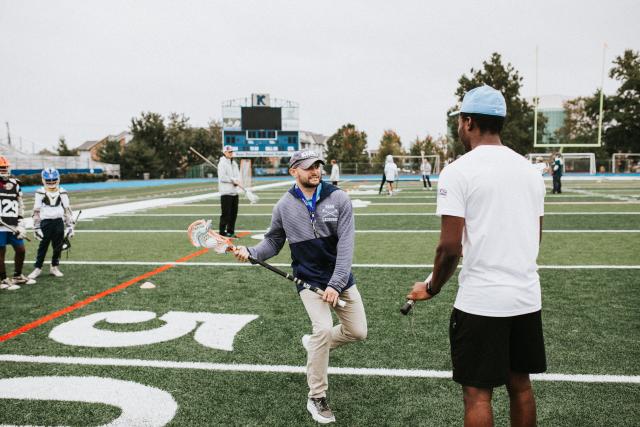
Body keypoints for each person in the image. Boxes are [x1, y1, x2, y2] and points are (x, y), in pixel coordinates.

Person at [407, 85, 547, 427]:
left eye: (459, 120)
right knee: (521, 387)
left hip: (482, 300)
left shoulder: (458, 171)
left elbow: (450, 247)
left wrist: (433, 287)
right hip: (526, 296)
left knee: (477, 394)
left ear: (467, 122)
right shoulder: (530, 171)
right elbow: (535, 237)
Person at [233, 150, 367, 424]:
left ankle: (314, 345)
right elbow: (272, 242)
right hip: (308, 279)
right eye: (308, 167)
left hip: (339, 277)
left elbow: (346, 246)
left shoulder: (339, 198)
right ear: (294, 171)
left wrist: (336, 283)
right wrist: (250, 252)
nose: (315, 171)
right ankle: (316, 397)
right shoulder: (284, 206)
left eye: (317, 165)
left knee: (358, 331)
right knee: (321, 329)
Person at [27, 168, 75, 279]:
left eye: (54, 180)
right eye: (49, 180)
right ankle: (37, 268)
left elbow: (67, 210)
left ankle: (54, 267)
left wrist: (70, 226)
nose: (52, 183)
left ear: (58, 179)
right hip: (45, 222)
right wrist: (36, 227)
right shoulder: (40, 192)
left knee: (57, 246)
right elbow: (36, 211)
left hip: (58, 221)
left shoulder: (62, 191)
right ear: (43, 180)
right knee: (43, 246)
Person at [0, 156, 33, 291]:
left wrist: (20, 222)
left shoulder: (15, 183)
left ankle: (17, 276)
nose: (4, 171)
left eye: (5, 168)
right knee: (1, 252)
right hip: (0, 225)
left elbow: (20, 204)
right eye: (1, 168)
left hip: (12, 223)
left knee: (21, 249)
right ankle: (2, 279)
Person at [217, 145, 241, 237]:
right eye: (229, 152)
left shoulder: (234, 163)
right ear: (224, 153)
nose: (231, 153)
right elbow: (222, 177)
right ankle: (222, 233)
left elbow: (237, 176)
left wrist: (237, 181)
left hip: (234, 191)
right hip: (226, 192)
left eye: (231, 152)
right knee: (225, 214)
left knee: (233, 214)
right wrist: (232, 180)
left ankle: (231, 231)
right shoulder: (222, 163)